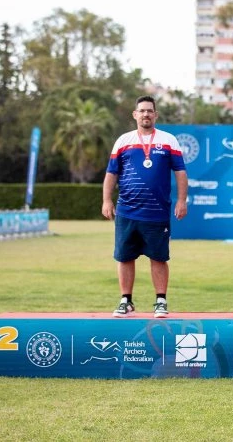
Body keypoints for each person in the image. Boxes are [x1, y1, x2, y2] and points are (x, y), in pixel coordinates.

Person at [102, 95, 188, 318]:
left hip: (156, 212)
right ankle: (125, 300)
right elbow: (111, 173)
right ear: (135, 115)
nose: (146, 114)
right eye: (142, 111)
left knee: (159, 257)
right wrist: (106, 200)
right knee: (124, 256)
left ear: (156, 115)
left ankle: (160, 301)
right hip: (127, 211)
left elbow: (180, 172)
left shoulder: (169, 140)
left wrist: (181, 200)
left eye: (150, 111)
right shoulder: (123, 141)